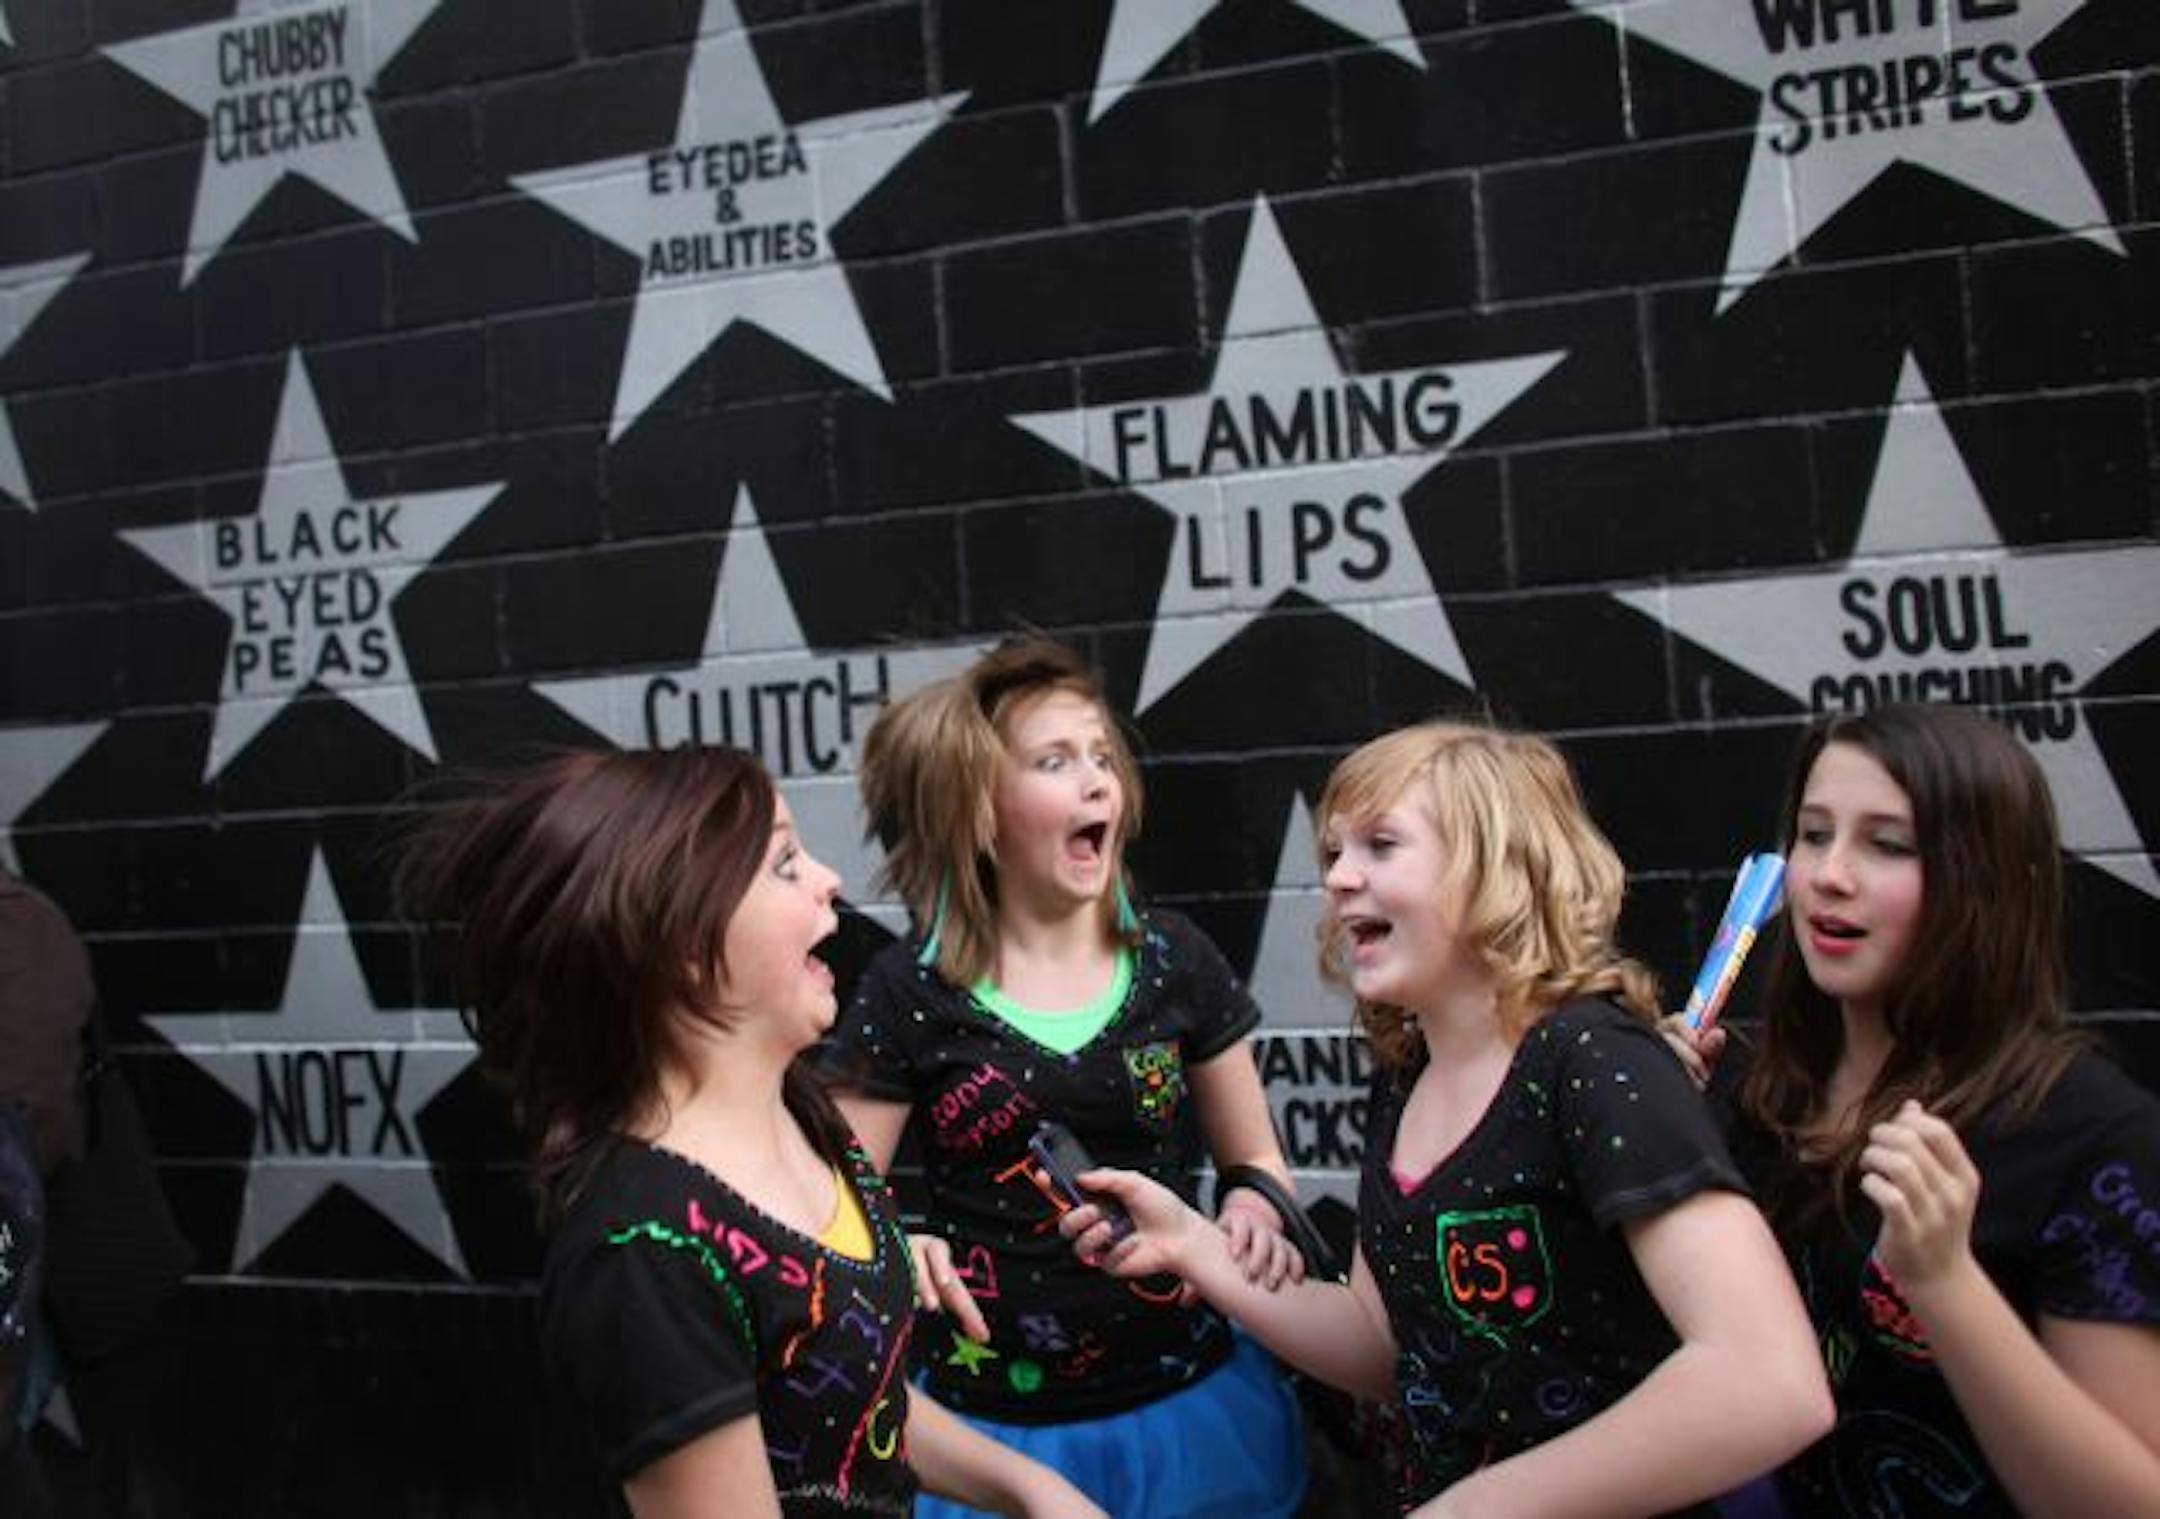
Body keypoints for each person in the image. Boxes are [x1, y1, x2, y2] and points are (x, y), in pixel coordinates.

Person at [1062, 720, 1834, 1518]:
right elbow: (1381, 1343)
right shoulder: (1408, 1074)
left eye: (1381, 845)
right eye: (1334, 852)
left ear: (1495, 868)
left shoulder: (1593, 1061)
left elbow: (1769, 1379)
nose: (1338, 878)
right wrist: (1194, 1245)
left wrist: (1479, 1506)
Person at [394, 746, 1107, 1519]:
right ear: (684, 948)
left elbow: (853, 1396)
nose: (830, 878)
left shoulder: (807, 1118)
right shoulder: (645, 1253)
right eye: (784, 862)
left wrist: (1030, 1488)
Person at [821, 638, 1312, 1519]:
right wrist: (900, 1246)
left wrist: (1253, 1212)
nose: (1097, 782)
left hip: (1189, 1408)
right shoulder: (909, 990)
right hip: (1000, 1432)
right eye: (1056, 761)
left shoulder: (1175, 961)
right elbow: (832, 1205)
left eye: (1101, 757)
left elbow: (1259, 1161)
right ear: (979, 809)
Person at [1662, 703, 2160, 1517]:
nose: (1830, 874)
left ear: (1984, 877)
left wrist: (1945, 1281)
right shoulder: (1749, 1095)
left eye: (1886, 844)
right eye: (1814, 833)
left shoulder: (2089, 1133)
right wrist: (1648, 1150)